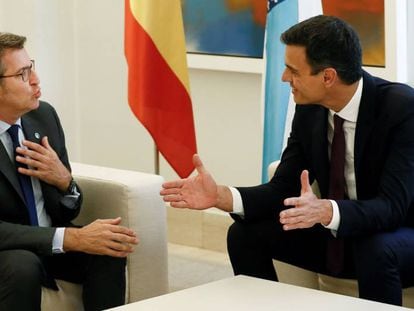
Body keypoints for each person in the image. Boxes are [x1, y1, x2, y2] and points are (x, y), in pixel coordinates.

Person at [161, 15, 414, 306]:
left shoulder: (401, 108)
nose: (284, 78)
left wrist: (326, 211)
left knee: (376, 248)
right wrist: (221, 196)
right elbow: (283, 187)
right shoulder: (310, 110)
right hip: (341, 235)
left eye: (293, 71)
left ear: (328, 77)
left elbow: (393, 207)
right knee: (244, 234)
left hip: (400, 234)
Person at [0, 32, 138, 311]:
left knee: (108, 247)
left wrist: (64, 182)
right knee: (22, 265)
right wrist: (70, 238)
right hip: (9, 250)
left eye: (32, 68)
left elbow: (66, 212)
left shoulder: (43, 117)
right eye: (22, 74)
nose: (36, 80)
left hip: (48, 242)